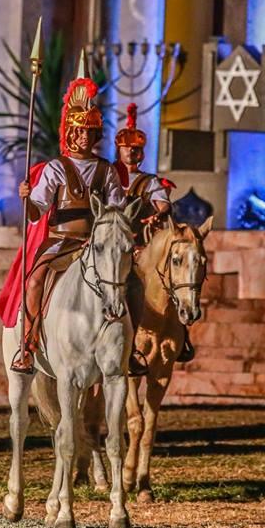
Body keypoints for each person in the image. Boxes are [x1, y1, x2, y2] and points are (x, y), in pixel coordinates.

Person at [0, 76, 126, 374]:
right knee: (34, 281)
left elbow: (117, 209)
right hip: (60, 241)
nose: (84, 137)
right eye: (79, 131)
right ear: (70, 133)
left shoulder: (106, 171)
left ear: (96, 135)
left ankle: (131, 347)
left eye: (89, 132)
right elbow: (36, 212)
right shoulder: (56, 168)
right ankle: (27, 345)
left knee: (128, 281)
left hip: (97, 243)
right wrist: (26, 199)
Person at [114, 103, 179, 374]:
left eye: (136, 149)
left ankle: (178, 333)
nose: (132, 152)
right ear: (119, 149)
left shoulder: (149, 181)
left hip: (139, 247)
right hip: (108, 244)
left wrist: (158, 212)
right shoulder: (107, 175)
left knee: (170, 280)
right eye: (127, 148)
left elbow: (163, 204)